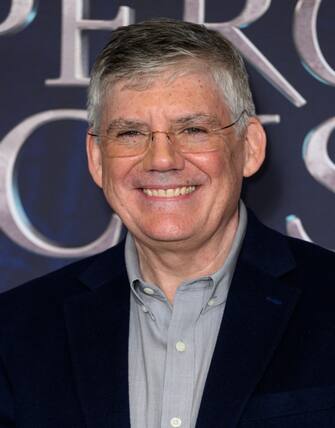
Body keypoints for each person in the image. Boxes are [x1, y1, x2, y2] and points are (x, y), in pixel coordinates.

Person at [0, 18, 334, 428]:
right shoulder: (16, 333)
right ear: (96, 159)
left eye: (193, 129)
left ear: (249, 146)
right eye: (130, 134)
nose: (161, 159)